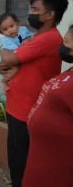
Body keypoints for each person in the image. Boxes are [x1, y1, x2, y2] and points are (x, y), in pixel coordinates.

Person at [0, 0, 68, 187]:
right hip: (18, 107)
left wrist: (2, 49)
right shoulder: (34, 37)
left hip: (27, 113)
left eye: (35, 9)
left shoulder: (47, 39)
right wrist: (2, 64)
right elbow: (6, 64)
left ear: (49, 14)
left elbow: (8, 58)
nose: (31, 13)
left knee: (21, 165)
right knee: (16, 160)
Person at [22, 24, 73, 186]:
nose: (64, 40)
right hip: (41, 166)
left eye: (68, 40)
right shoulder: (70, 71)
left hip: (58, 173)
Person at [0, 13, 33, 91]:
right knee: (15, 69)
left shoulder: (23, 29)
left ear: (18, 23)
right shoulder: (6, 40)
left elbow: (30, 37)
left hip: (23, 58)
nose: (10, 30)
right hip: (13, 58)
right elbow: (16, 51)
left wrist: (27, 40)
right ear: (1, 33)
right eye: (5, 29)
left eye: (12, 26)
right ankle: (3, 81)